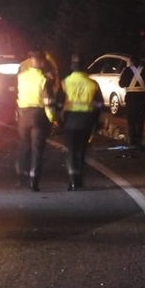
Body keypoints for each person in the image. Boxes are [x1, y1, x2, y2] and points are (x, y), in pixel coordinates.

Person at [61, 55, 104, 190]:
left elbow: (58, 104)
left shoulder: (65, 82)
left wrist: (58, 120)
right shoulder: (93, 84)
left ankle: (73, 181)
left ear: (72, 66)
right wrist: (97, 122)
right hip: (87, 121)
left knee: (72, 151)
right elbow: (99, 105)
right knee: (82, 151)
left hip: (70, 120)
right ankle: (79, 180)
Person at [16, 50, 56, 191]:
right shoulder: (44, 79)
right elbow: (48, 102)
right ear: (42, 62)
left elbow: (16, 94)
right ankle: (34, 181)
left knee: (24, 147)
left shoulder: (21, 77)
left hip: (23, 115)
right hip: (38, 115)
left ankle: (21, 176)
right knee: (37, 149)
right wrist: (53, 119)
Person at [118, 57, 145, 149]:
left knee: (131, 120)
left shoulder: (127, 70)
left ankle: (132, 140)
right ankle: (139, 140)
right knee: (140, 120)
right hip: (142, 98)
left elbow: (121, 84)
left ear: (131, 62)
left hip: (131, 98)